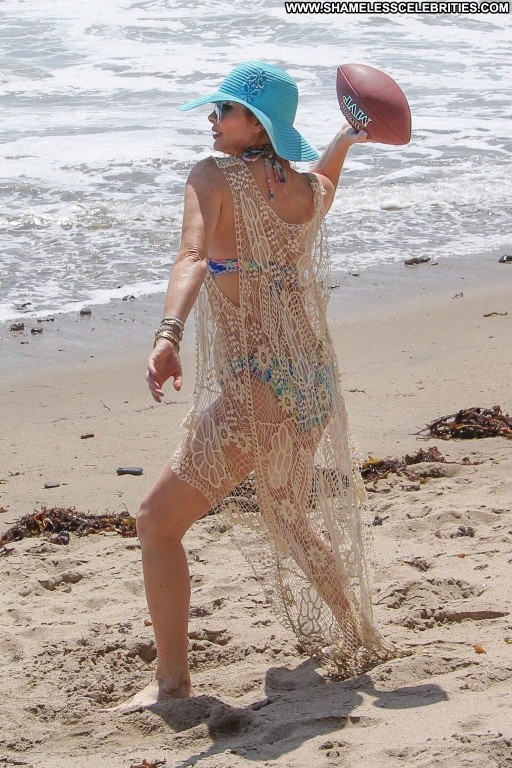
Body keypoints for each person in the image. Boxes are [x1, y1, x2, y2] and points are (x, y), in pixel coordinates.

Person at [108, 61, 396, 714]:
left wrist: (168, 335)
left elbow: (191, 256)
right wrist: (347, 138)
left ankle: (172, 683)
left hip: (260, 387)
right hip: (310, 382)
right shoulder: (304, 192)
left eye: (226, 110)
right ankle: (358, 633)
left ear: (258, 124)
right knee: (288, 515)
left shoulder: (212, 177)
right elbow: (326, 180)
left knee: (155, 523)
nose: (214, 120)